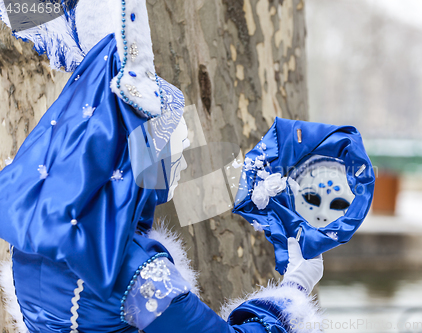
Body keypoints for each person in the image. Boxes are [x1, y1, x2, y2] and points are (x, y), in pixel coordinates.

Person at [0, 1, 323, 332]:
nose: (182, 163)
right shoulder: (137, 274)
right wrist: (294, 288)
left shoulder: (32, 239)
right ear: (136, 158)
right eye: (174, 149)